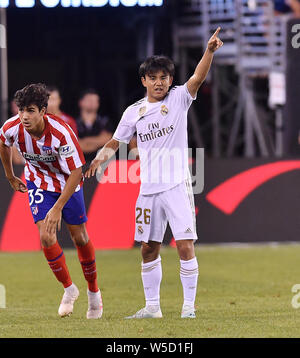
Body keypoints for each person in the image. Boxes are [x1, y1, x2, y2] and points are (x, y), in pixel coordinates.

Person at [85, 28, 223, 319]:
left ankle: (188, 309)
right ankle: (152, 308)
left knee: (185, 245)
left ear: (170, 80)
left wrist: (209, 51)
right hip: (148, 189)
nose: (159, 83)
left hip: (176, 185)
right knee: (148, 248)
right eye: (153, 78)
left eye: (164, 78)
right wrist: (100, 159)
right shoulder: (133, 111)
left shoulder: (179, 99)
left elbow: (197, 78)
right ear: (144, 81)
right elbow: (117, 140)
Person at [0, 83, 103, 319]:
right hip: (38, 183)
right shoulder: (13, 127)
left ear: (43, 111)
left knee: (80, 237)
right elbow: (3, 143)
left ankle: (94, 292)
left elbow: (77, 171)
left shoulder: (61, 132)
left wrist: (58, 208)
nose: (24, 116)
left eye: (31, 110)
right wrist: (10, 175)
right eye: (21, 110)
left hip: (68, 183)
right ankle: (69, 288)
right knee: (46, 236)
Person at [76, 89, 113, 163]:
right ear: (81, 102)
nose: (92, 103)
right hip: (78, 165)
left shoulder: (104, 121)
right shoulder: (74, 122)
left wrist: (84, 141)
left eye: (95, 101)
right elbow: (73, 146)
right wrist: (97, 141)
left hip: (101, 165)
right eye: (89, 100)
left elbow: (106, 141)